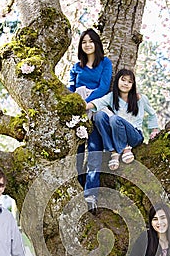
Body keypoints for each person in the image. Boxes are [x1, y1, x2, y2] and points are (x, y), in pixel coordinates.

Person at [68, 28, 112, 212]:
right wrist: (75, 105)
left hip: (95, 107)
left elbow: (103, 88)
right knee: (76, 153)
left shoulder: (105, 63)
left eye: (90, 41)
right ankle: (79, 186)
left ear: (96, 44)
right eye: (84, 42)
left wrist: (87, 104)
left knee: (95, 152)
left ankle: (91, 194)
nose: (87, 45)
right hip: (77, 110)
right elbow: (70, 88)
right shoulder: (76, 67)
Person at [86, 68, 159, 170]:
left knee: (115, 119)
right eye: (123, 80)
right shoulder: (112, 97)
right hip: (117, 135)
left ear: (133, 85)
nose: (126, 84)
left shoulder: (141, 99)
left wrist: (155, 130)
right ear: (117, 81)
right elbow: (97, 102)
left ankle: (125, 149)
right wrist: (83, 106)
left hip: (134, 136)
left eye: (129, 82)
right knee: (99, 115)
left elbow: (152, 114)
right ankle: (113, 152)